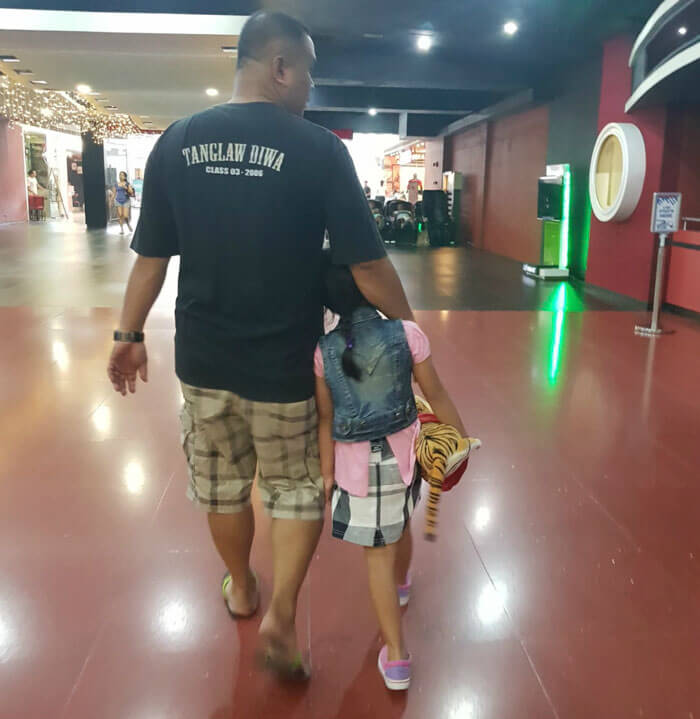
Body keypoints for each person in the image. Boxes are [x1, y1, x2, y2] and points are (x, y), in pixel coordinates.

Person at [107, 10, 414, 679]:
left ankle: (242, 587)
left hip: (204, 364)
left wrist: (128, 335)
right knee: (295, 489)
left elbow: (151, 258)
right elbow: (367, 266)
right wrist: (410, 333)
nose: (309, 86)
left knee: (220, 487)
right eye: (307, 71)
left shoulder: (178, 141)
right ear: (280, 67)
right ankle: (280, 615)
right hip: (284, 368)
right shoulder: (320, 150)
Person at [314, 259, 466, 691]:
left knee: (376, 551)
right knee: (399, 524)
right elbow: (434, 391)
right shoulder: (407, 334)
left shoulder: (323, 351)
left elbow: (326, 418)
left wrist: (327, 474)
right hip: (405, 458)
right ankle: (401, 585)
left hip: (357, 469)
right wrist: (459, 440)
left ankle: (397, 659)